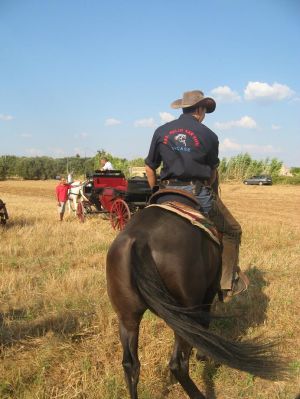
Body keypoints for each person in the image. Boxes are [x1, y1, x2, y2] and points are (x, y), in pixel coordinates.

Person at [145, 89, 249, 302]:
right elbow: (212, 174)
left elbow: (149, 168)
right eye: (205, 111)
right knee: (232, 231)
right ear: (200, 110)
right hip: (196, 192)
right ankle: (225, 284)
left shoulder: (161, 130)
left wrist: (156, 191)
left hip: (165, 192)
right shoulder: (209, 136)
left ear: (183, 108)